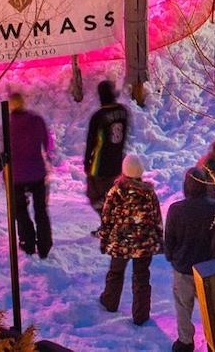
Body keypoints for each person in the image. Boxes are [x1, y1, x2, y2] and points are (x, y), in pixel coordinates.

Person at [99, 155, 163, 326]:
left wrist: (104, 239)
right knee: (141, 277)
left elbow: (107, 218)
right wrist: (158, 239)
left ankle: (110, 302)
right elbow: (157, 218)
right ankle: (141, 315)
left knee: (115, 273)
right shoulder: (149, 193)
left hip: (121, 242)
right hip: (143, 243)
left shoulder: (116, 192)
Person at [163, 167, 215, 352]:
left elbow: (169, 239)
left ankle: (185, 341)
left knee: (183, 307)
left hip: (184, 267)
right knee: (211, 309)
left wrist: (171, 257)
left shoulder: (176, 209)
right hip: (209, 269)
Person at [7, 92, 53, 258]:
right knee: (40, 209)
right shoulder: (36, 120)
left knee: (20, 210)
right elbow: (47, 143)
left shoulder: (8, 125)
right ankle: (45, 245)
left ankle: (27, 242)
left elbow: (3, 150)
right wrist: (48, 157)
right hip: (37, 172)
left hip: (17, 176)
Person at [85, 80, 130, 218]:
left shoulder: (98, 116)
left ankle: (107, 224)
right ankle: (114, 223)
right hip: (117, 160)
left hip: (100, 164)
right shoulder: (123, 111)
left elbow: (91, 142)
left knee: (96, 197)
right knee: (114, 195)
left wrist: (87, 162)